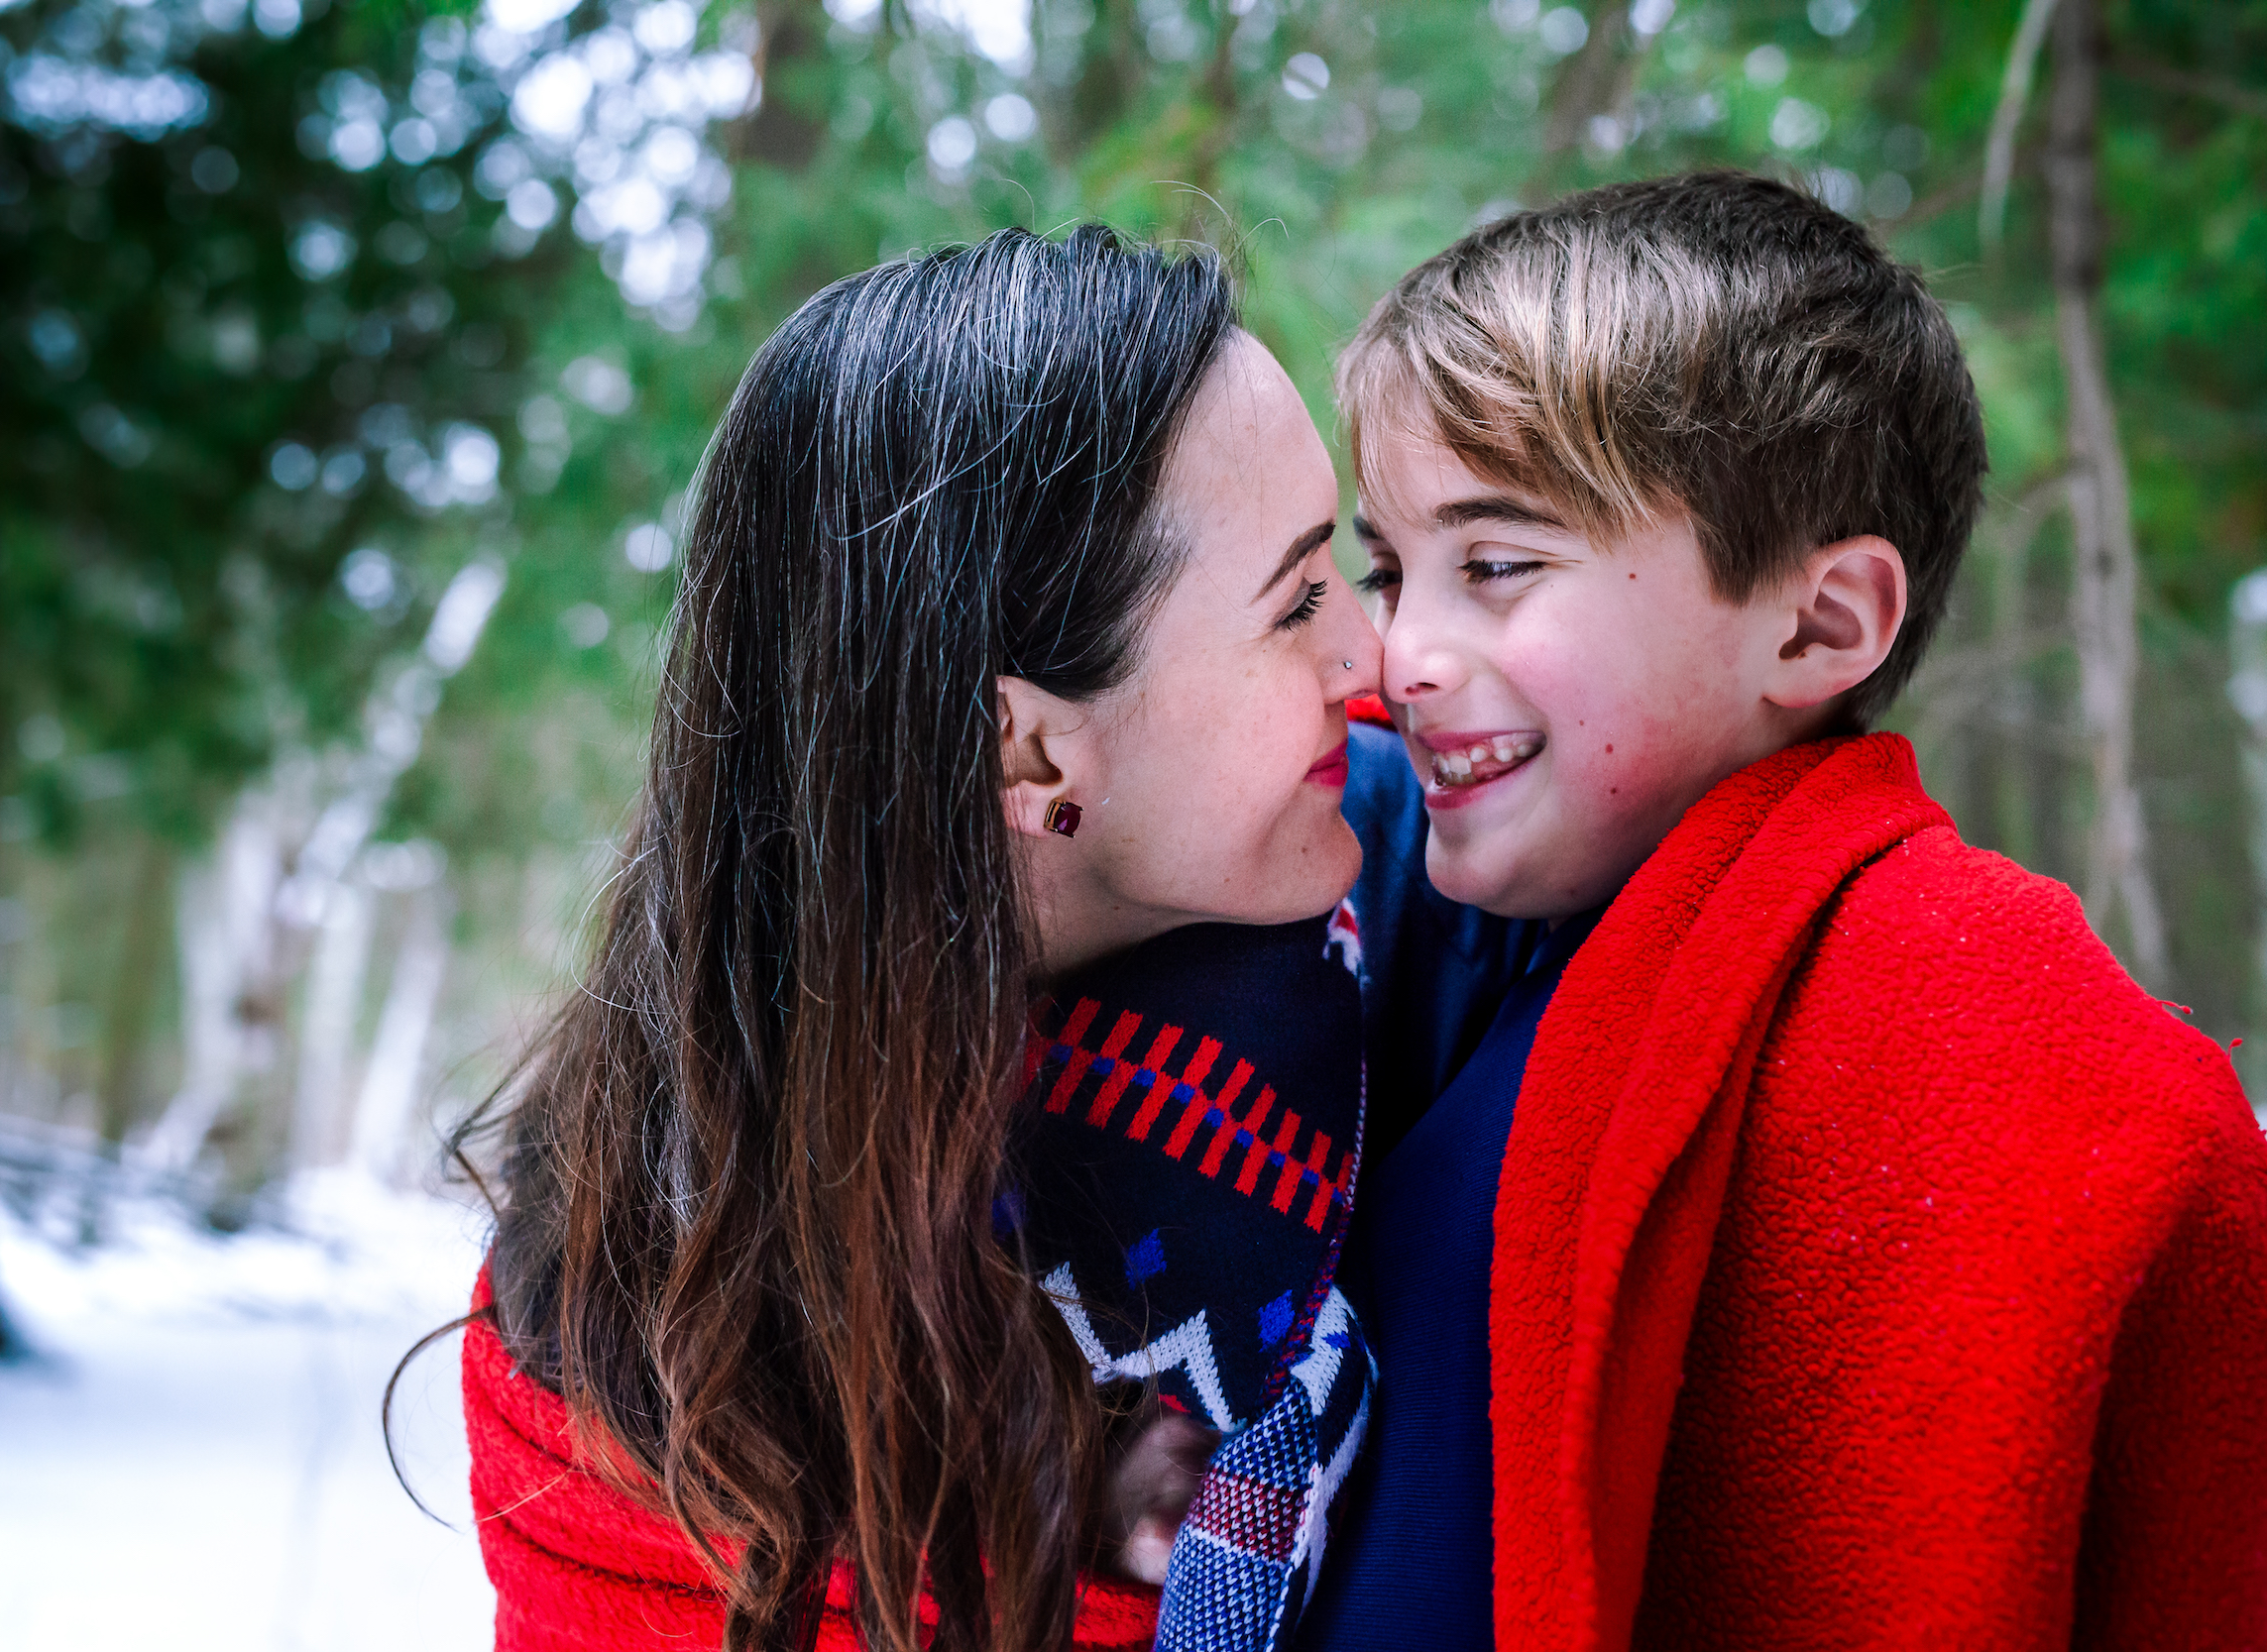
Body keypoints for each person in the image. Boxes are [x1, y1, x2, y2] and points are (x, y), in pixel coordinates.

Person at [1299, 171, 2267, 1650]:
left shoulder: (2006, 1044)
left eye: (1496, 566)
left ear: (1820, 624)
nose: (1401, 650)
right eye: (1387, 570)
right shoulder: (1399, 935)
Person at [457, 225, 1418, 1652]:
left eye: (1345, 570)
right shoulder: (619, 1343)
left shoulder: (1452, 882)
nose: (1374, 657)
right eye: (1295, 605)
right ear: (1026, 752)